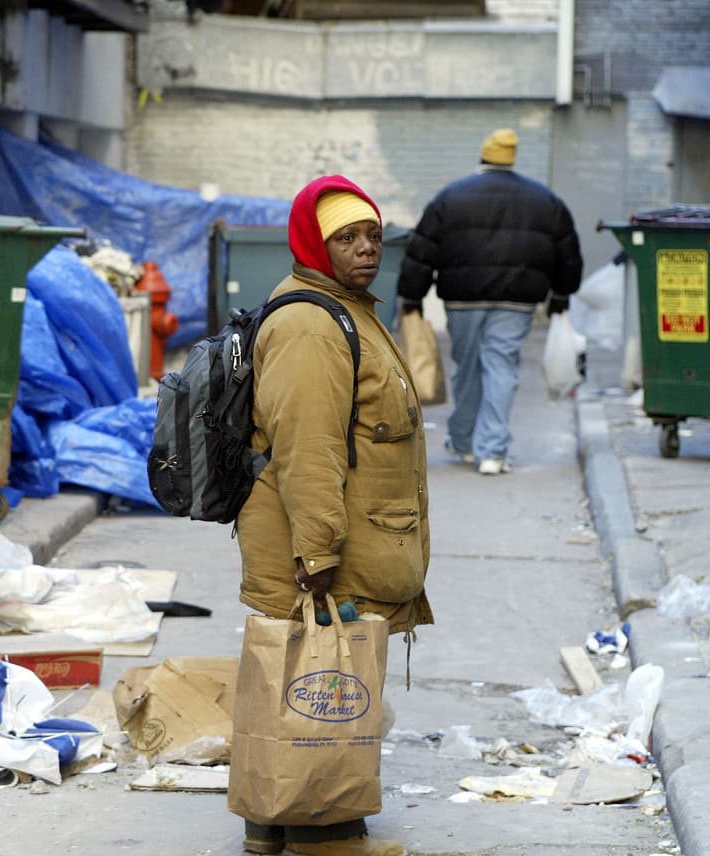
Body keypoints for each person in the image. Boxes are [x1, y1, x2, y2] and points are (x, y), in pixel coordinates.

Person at [233, 175, 432, 856]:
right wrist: (316, 554)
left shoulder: (341, 307)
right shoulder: (312, 324)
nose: (366, 248)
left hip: (336, 534)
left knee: (295, 678)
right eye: (347, 237)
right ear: (315, 244)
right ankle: (327, 832)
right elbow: (308, 449)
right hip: (321, 543)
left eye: (373, 235)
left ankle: (271, 820)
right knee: (327, 686)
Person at [397, 127, 583, 474]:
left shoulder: (450, 198)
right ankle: (492, 453)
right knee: (501, 365)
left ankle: (465, 442)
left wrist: (412, 295)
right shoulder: (544, 200)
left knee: (467, 367)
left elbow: (421, 251)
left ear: (482, 158)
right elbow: (567, 252)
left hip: (462, 298)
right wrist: (561, 293)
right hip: (518, 299)